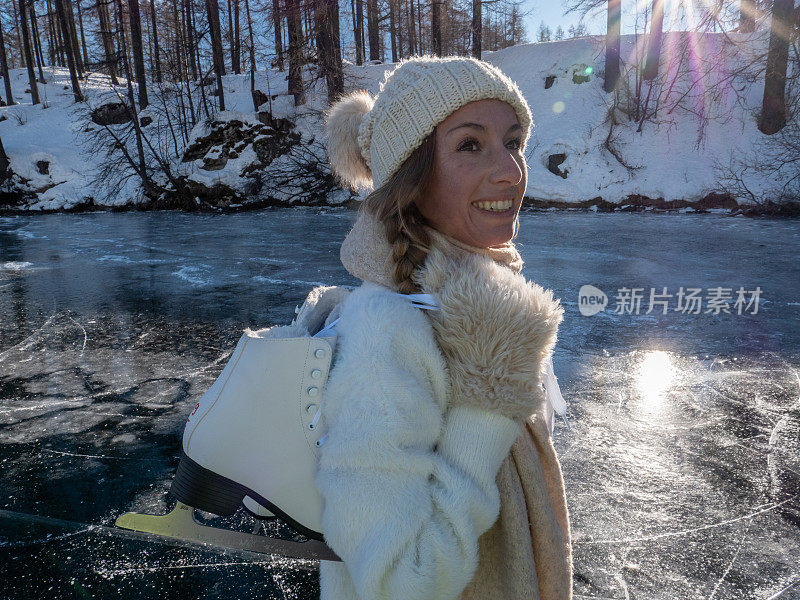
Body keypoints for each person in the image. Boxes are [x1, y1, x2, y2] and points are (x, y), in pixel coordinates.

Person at [316, 55, 573, 600]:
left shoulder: (474, 309)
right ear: (411, 177)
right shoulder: (385, 331)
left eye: (513, 141)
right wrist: (488, 403)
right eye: (470, 144)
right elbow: (396, 581)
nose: (510, 170)